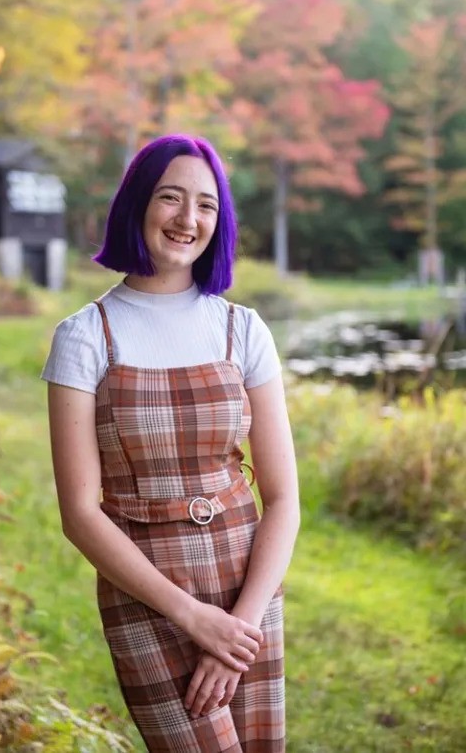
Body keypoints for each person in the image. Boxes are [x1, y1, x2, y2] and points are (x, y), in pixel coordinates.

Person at [42, 134, 300, 753]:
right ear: (137, 205)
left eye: (206, 205)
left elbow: (285, 497)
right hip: (148, 595)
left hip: (249, 588)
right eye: (171, 198)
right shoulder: (85, 338)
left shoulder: (242, 329)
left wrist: (237, 623)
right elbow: (80, 512)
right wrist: (193, 617)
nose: (189, 219)